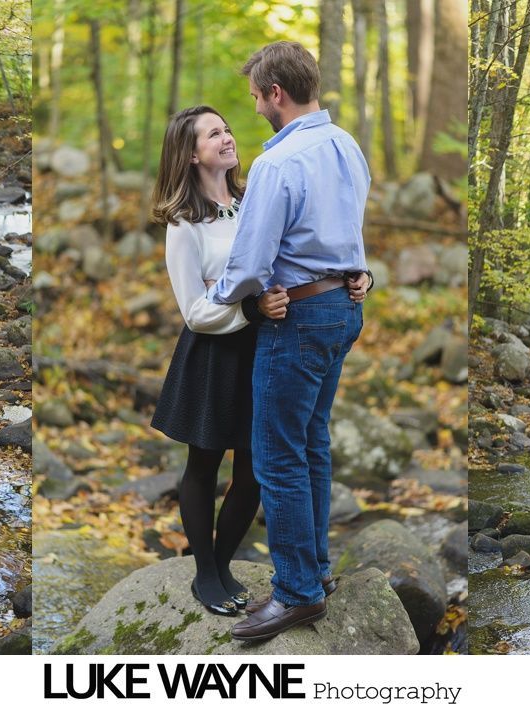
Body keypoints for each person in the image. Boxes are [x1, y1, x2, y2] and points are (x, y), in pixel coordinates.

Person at [149, 105, 367, 617]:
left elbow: (299, 255)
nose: (227, 138)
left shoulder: (253, 198)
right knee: (204, 464)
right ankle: (205, 571)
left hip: (269, 342)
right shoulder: (184, 224)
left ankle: (226, 562)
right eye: (212, 134)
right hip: (215, 353)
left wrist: (357, 273)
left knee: (254, 469)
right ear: (190, 153)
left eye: (226, 128)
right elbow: (195, 311)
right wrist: (246, 305)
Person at [207, 41, 373, 641]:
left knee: (278, 456)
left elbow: (251, 262)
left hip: (297, 317)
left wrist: (218, 297)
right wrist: (356, 270)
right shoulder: (346, 144)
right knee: (311, 444)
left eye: (255, 97)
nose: (253, 108)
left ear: (276, 92)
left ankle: (298, 592)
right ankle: (316, 571)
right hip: (343, 308)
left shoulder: (278, 164)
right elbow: (350, 225)